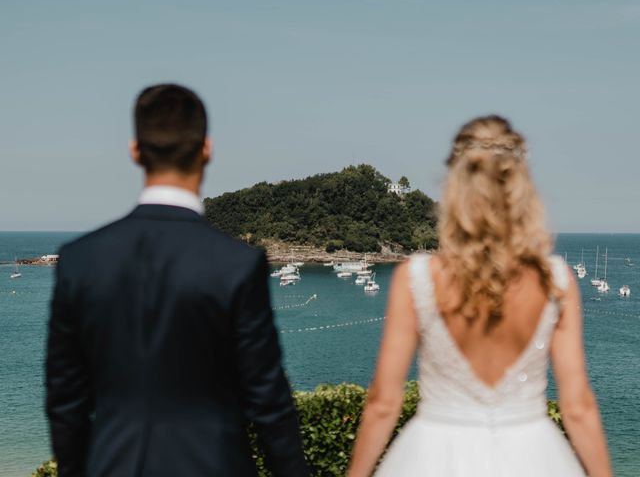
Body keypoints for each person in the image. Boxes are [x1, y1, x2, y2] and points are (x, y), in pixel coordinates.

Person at [45, 84, 309, 477]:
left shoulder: (80, 260)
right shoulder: (237, 263)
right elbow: (268, 400)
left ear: (135, 151)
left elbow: (65, 398)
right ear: (207, 149)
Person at [348, 116, 611, 476]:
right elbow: (577, 406)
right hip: (534, 457)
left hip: (432, 457)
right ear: (521, 187)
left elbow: (383, 403)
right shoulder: (556, 281)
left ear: (454, 187)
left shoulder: (416, 277)